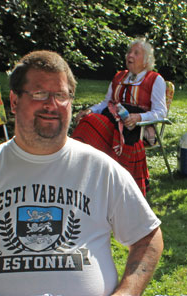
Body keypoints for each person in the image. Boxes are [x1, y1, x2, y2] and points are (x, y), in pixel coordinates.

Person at [0, 50, 164, 296]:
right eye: (40, 93)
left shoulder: (101, 169)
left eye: (61, 95)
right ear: (14, 101)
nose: (52, 105)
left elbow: (147, 237)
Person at [71, 38, 167, 196]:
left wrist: (138, 117)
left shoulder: (154, 79)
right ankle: (79, 167)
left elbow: (160, 112)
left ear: (146, 60)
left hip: (135, 128)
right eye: (129, 52)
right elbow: (106, 103)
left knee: (91, 124)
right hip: (112, 121)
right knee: (88, 120)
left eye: (136, 53)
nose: (130, 55)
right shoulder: (119, 77)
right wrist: (90, 110)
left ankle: (82, 171)